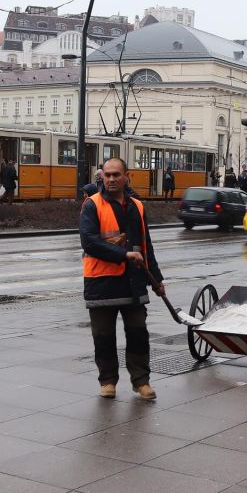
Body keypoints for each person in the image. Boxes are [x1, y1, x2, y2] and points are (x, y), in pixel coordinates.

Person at [80, 157, 164, 401]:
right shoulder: (92, 205)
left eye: (116, 174)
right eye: (107, 175)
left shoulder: (137, 206)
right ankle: (107, 381)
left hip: (134, 280)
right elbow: (90, 242)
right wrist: (125, 254)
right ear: (102, 176)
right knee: (104, 336)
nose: (111, 179)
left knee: (138, 333)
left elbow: (145, 245)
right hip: (101, 282)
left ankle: (141, 381)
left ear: (127, 175)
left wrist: (156, 279)